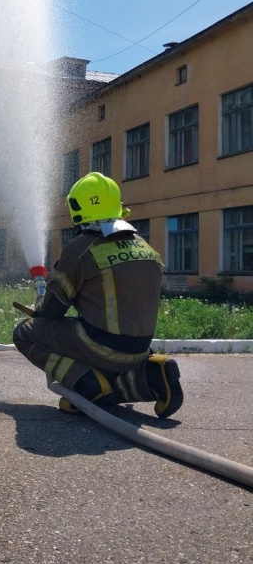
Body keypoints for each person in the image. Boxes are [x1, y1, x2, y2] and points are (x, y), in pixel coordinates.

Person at [13, 172, 184, 419]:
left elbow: (51, 311)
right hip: (139, 350)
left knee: (24, 333)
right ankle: (152, 375)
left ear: (78, 207)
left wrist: (41, 302)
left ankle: (86, 385)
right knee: (109, 369)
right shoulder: (144, 246)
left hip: (101, 349)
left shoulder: (81, 250)